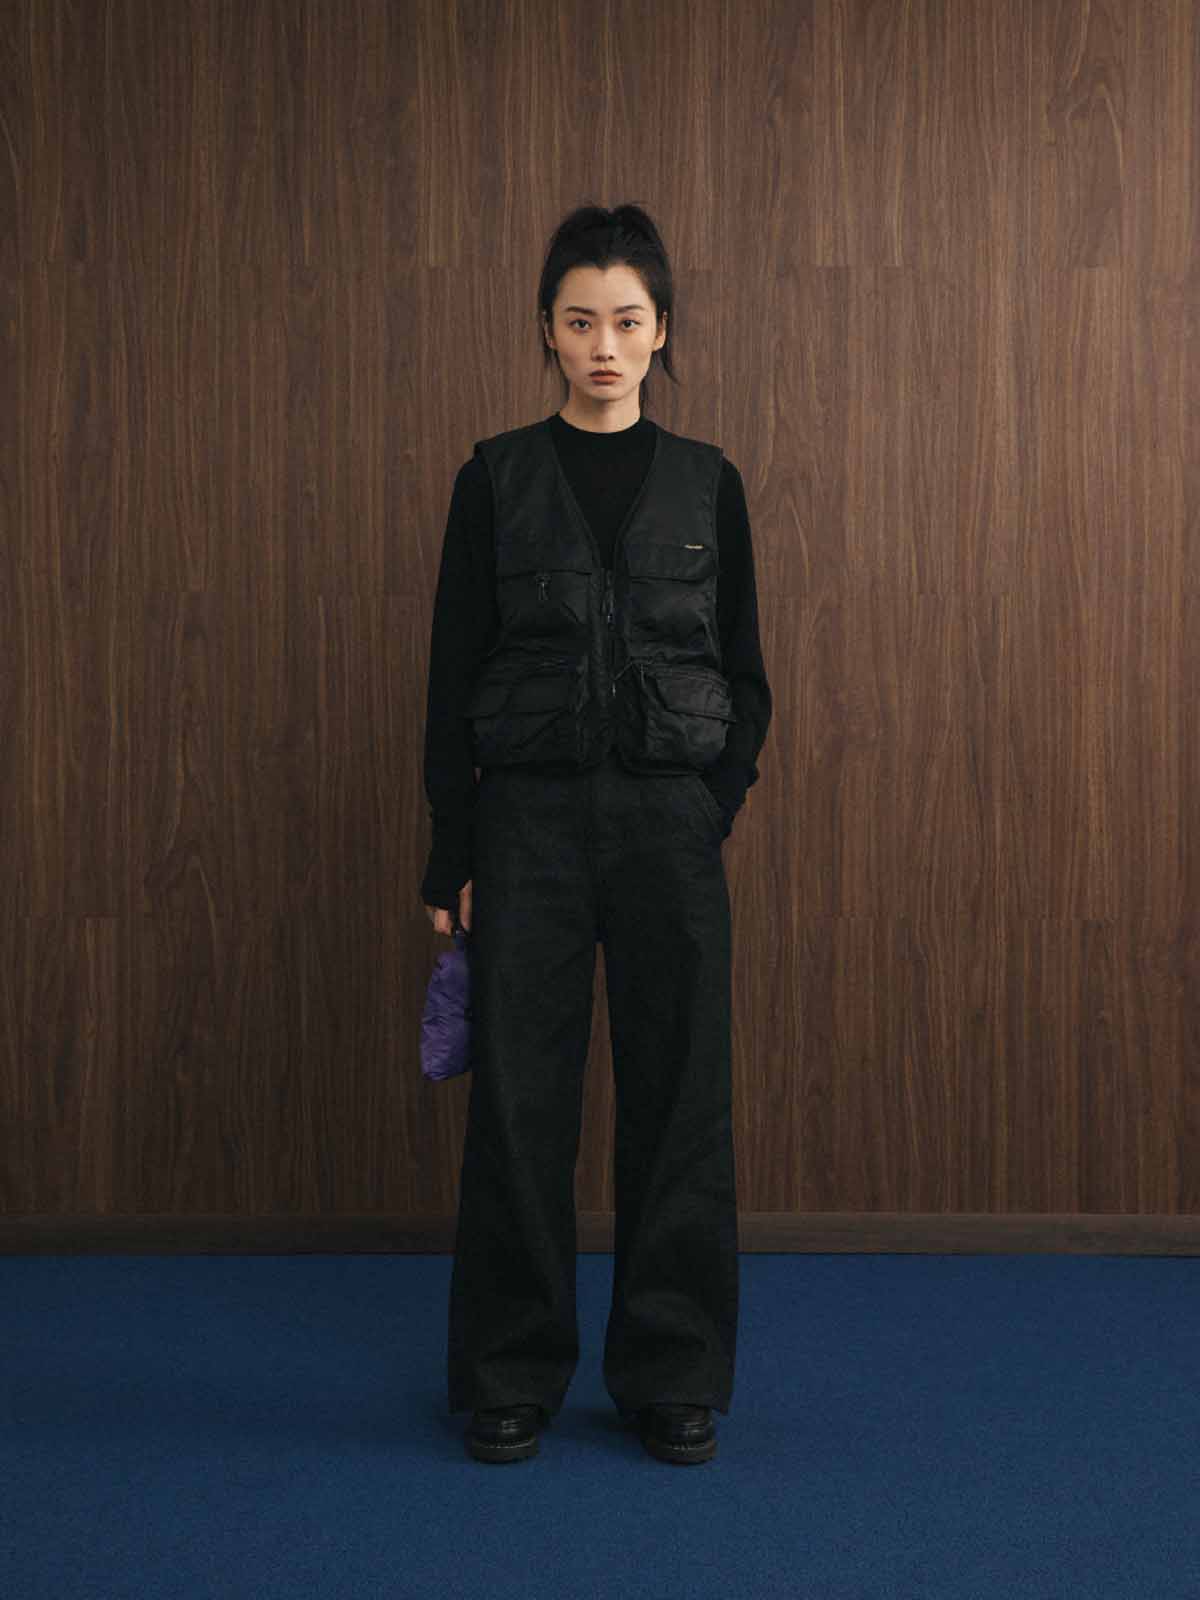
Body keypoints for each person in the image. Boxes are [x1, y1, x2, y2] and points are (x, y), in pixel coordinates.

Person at [420, 203, 772, 1464]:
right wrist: (452, 849)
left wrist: (712, 800)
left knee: (682, 1099)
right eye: (580, 322)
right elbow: (452, 675)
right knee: (521, 1101)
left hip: (669, 826)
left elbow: (748, 674)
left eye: (627, 320)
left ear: (661, 329)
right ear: (547, 332)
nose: (604, 346)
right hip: (528, 827)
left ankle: (673, 1373)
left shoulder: (710, 482)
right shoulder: (494, 478)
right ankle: (510, 1371)